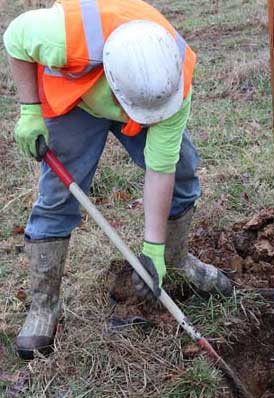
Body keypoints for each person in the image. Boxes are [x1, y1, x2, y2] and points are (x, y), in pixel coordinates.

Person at [3, 0, 232, 360]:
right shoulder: (63, 36)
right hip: (77, 103)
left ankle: (175, 261)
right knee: (58, 197)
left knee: (183, 171)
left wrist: (152, 250)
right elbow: (15, 38)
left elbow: (161, 168)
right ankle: (44, 306)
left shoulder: (173, 77)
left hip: (146, 99)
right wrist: (29, 111)